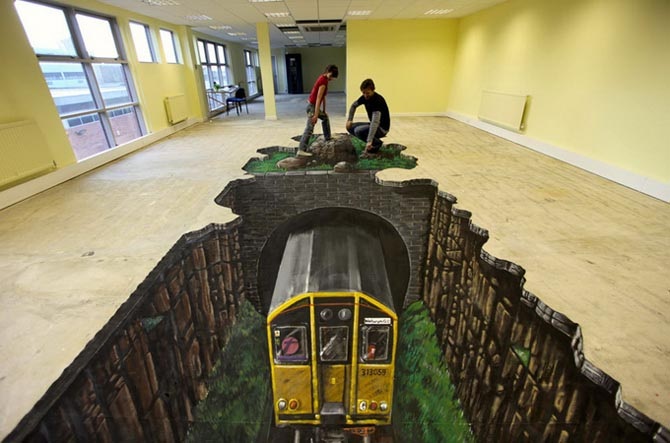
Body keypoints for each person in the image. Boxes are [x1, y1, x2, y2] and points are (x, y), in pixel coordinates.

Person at [297, 64, 339, 156]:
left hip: (313, 106)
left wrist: (324, 110)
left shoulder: (325, 79)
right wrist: (316, 115)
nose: (332, 78)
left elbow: (323, 97)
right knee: (310, 127)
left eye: (333, 77)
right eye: (331, 76)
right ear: (328, 72)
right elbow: (318, 99)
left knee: (325, 117)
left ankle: (327, 137)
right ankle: (301, 149)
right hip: (311, 107)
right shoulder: (323, 81)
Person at [346, 78, 390, 154]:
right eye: (363, 93)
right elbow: (353, 105)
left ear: (373, 90)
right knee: (350, 127)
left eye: (368, 93)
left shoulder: (377, 100)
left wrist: (369, 140)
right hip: (374, 124)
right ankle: (375, 141)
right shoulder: (364, 97)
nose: (365, 95)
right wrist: (350, 120)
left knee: (358, 130)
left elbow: (375, 122)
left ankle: (375, 144)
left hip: (382, 128)